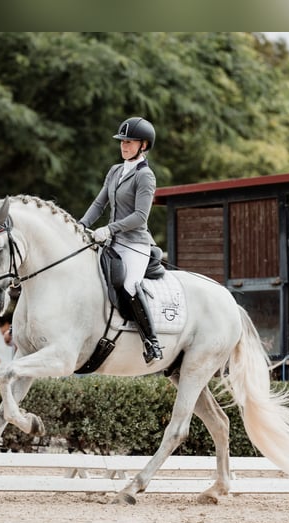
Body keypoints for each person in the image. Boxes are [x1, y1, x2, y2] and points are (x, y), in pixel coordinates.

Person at [78, 116, 163, 364]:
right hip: (112, 241)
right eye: (122, 141)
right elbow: (99, 203)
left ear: (143, 145)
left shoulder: (145, 176)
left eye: (130, 142)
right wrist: (81, 225)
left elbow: (140, 216)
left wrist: (109, 229)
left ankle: (152, 342)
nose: (124, 146)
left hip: (135, 244)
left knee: (130, 286)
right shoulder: (115, 171)